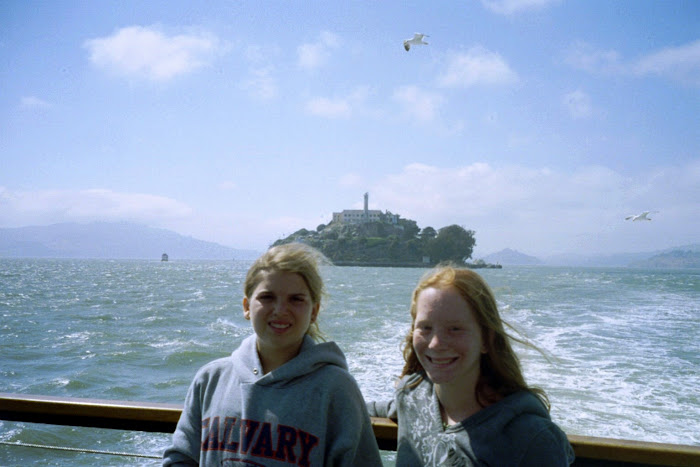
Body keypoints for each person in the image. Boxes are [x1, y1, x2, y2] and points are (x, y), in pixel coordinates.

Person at [164, 243, 382, 466]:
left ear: (314, 311)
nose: (280, 310)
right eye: (267, 297)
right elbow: (181, 458)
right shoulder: (211, 379)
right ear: (247, 306)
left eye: (296, 299)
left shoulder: (336, 389)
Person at [367, 265, 575, 466]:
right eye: (425, 328)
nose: (436, 343)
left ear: (486, 339)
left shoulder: (531, 438)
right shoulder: (411, 396)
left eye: (455, 329)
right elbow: (377, 408)